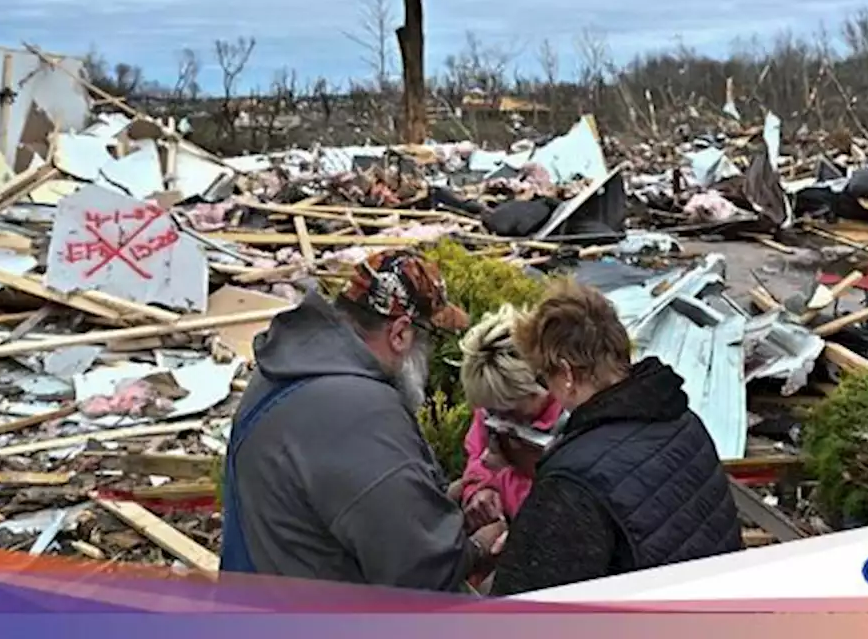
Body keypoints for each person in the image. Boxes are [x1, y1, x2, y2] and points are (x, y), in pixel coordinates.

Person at [220, 249, 507, 589]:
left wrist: (444, 498)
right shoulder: (362, 412)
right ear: (400, 333)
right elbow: (420, 570)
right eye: (429, 339)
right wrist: (478, 547)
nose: (428, 356)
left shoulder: (286, 370)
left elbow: (352, 503)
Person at [489, 278, 743, 595]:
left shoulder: (574, 479)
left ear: (567, 374)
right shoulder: (683, 422)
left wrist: (533, 542)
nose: (548, 390)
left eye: (545, 376)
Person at [455, 304, 565, 530]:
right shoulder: (495, 402)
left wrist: (503, 481)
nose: (502, 422)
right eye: (493, 413)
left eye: (513, 412)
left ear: (539, 383)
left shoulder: (573, 420)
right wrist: (479, 490)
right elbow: (477, 457)